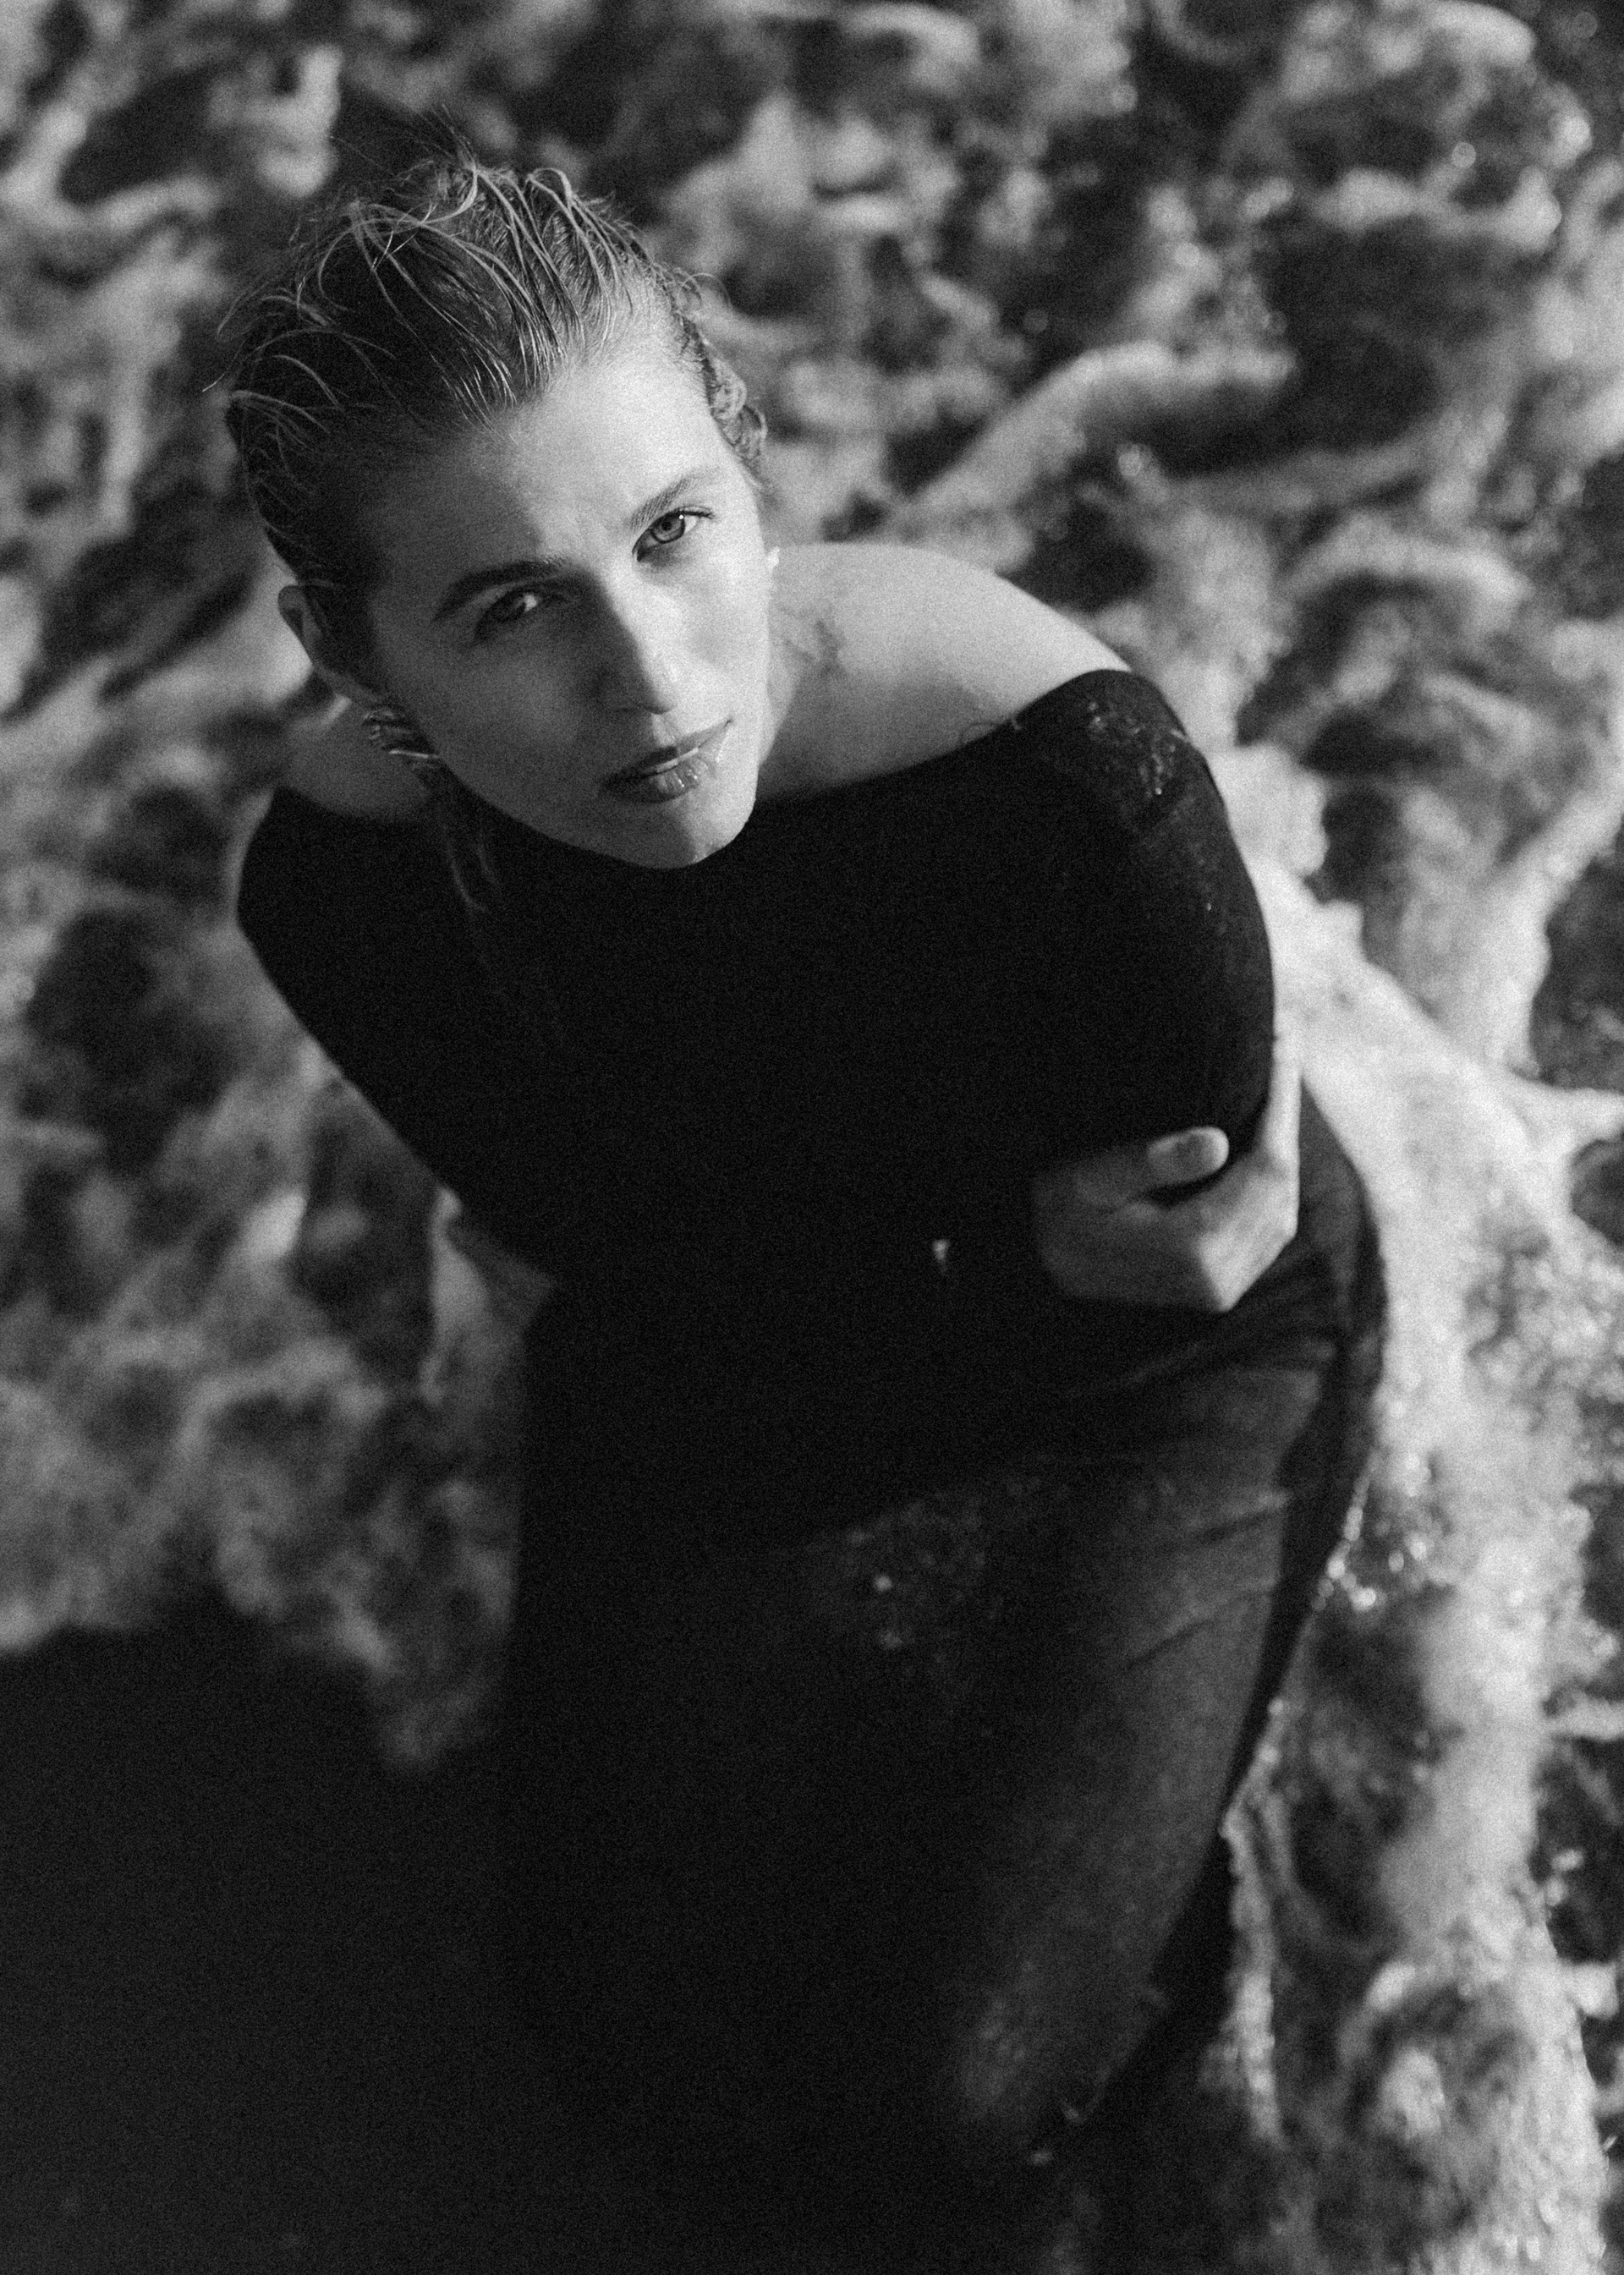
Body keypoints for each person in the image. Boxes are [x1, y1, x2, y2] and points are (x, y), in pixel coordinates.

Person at [222, 155, 1382, 2272]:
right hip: (801, 1295)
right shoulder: (348, 896)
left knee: (955, 2107)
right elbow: (625, 1262)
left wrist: (793, 1276)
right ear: (346, 645)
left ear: (751, 474)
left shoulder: (1059, 785)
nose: (652, 680)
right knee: (615, 2040)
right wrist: (908, 1261)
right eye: (512, 607)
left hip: (1157, 1358)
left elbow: (1186, 1246)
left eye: (675, 534)